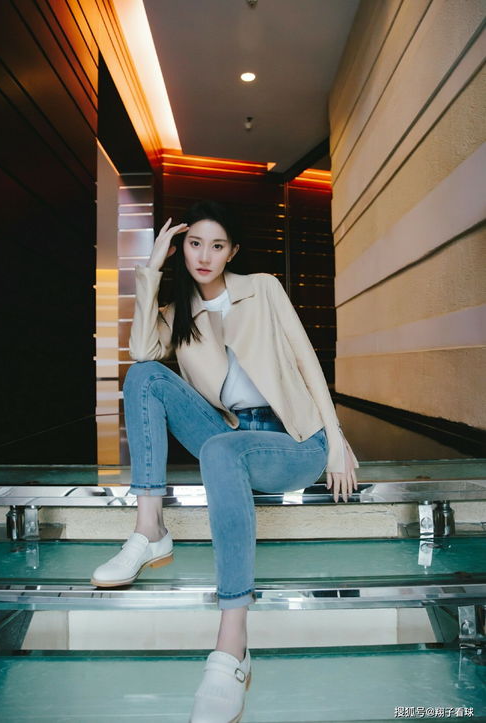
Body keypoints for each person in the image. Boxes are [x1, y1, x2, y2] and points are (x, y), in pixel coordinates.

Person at [91, 200, 359, 723]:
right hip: (231, 434)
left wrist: (336, 439)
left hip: (292, 438)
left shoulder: (263, 289)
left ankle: (232, 645)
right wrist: (150, 271)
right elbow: (142, 352)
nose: (204, 256)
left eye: (216, 246)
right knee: (144, 377)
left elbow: (306, 359)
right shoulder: (179, 312)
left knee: (220, 448)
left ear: (232, 251)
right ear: (182, 248)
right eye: (194, 244)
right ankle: (149, 530)